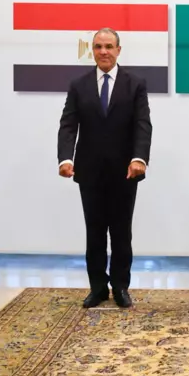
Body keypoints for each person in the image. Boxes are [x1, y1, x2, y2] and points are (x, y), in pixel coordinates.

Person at [58, 28, 152, 309]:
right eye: (98, 47)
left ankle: (121, 287)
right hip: (89, 172)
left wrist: (139, 158)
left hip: (126, 172)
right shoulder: (79, 84)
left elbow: (142, 125)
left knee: (122, 233)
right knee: (95, 232)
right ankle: (97, 288)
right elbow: (68, 124)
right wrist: (65, 159)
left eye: (109, 46)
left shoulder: (135, 84)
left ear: (119, 50)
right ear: (92, 51)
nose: (104, 51)